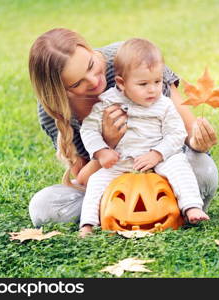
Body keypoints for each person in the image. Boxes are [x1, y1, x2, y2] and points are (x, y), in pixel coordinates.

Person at [28, 28, 219, 228]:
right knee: (43, 206)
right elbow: (84, 178)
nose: (94, 81)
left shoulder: (132, 58)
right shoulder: (53, 109)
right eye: (77, 83)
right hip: (114, 175)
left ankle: (181, 204)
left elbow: (186, 132)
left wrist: (197, 142)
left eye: (91, 65)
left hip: (163, 167)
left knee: (202, 169)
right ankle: (108, 215)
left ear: (89, 49)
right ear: (60, 90)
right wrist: (108, 142)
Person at [79, 38, 209, 237]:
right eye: (143, 84)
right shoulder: (107, 102)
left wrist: (157, 154)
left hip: (158, 157)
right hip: (121, 160)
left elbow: (177, 133)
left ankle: (191, 207)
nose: (152, 89)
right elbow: (88, 130)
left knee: (179, 166)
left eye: (157, 82)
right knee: (97, 181)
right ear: (122, 83)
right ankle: (88, 223)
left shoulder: (164, 104)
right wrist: (101, 151)